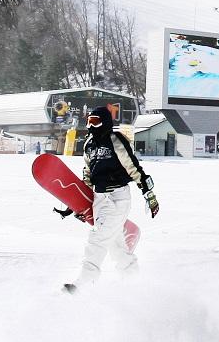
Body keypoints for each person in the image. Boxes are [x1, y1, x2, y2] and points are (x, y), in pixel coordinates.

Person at [63, 103, 158, 292]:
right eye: (89, 121)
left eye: (96, 121)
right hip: (100, 198)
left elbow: (132, 166)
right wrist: (75, 204)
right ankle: (133, 281)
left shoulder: (115, 139)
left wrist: (149, 194)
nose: (91, 125)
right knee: (116, 246)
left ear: (105, 122)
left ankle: (85, 280)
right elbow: (87, 175)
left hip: (118, 196)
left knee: (98, 238)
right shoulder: (89, 144)